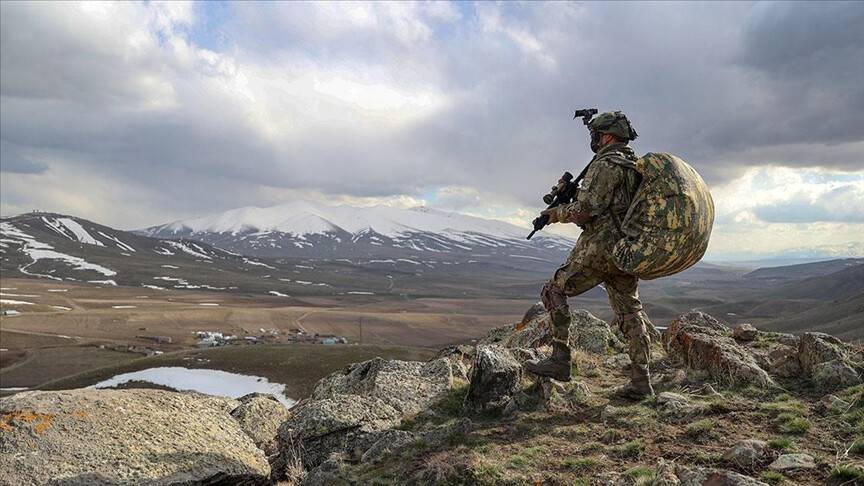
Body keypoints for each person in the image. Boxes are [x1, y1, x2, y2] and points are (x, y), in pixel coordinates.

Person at [524, 111, 655, 400]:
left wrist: (557, 213)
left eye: (596, 134)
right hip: (626, 250)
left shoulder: (605, 165)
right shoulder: (635, 165)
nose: (593, 139)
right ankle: (641, 381)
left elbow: (587, 210)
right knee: (630, 310)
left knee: (554, 290)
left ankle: (560, 360)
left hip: (599, 249)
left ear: (607, 136)